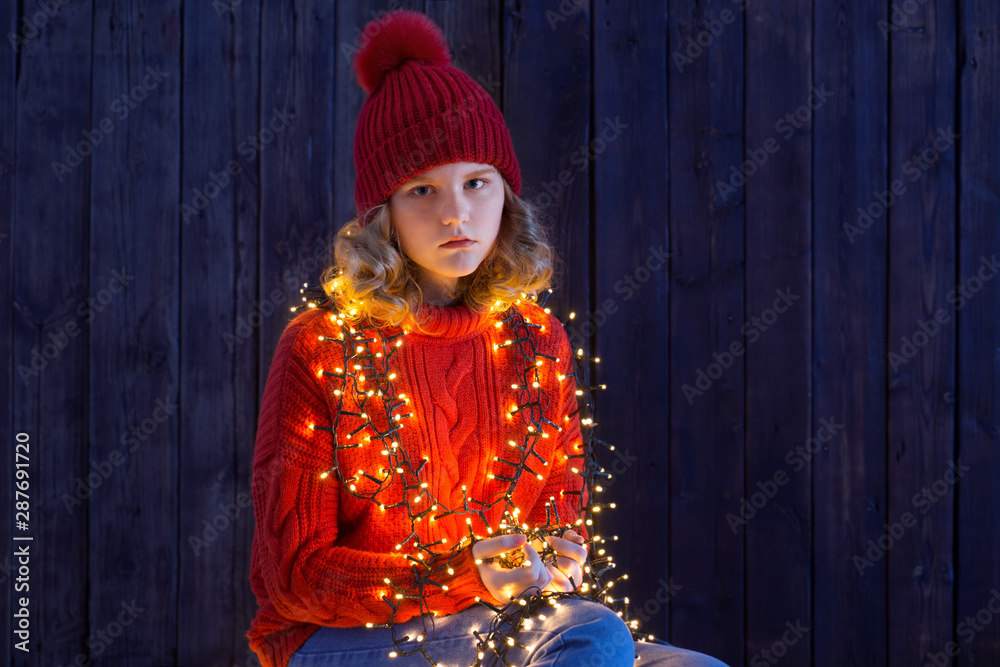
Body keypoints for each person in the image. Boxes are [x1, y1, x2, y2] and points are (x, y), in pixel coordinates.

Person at [245, 8, 728, 667]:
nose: (455, 213)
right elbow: (290, 576)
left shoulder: (538, 341)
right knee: (591, 637)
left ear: (506, 194)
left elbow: (563, 511)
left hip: (507, 623)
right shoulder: (323, 347)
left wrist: (555, 558)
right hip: (341, 640)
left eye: (477, 182)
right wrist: (461, 576)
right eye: (422, 189)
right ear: (381, 214)